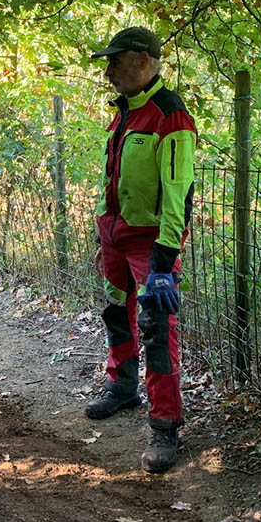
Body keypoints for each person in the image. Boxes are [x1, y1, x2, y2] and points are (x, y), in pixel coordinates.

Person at [86, 27, 197, 473]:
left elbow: (179, 194)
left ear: (144, 61)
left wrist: (165, 263)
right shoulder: (123, 113)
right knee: (116, 311)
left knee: (155, 327)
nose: (109, 71)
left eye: (116, 61)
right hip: (114, 237)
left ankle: (165, 424)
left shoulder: (169, 116)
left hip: (151, 244)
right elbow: (113, 180)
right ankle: (123, 387)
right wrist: (103, 235)